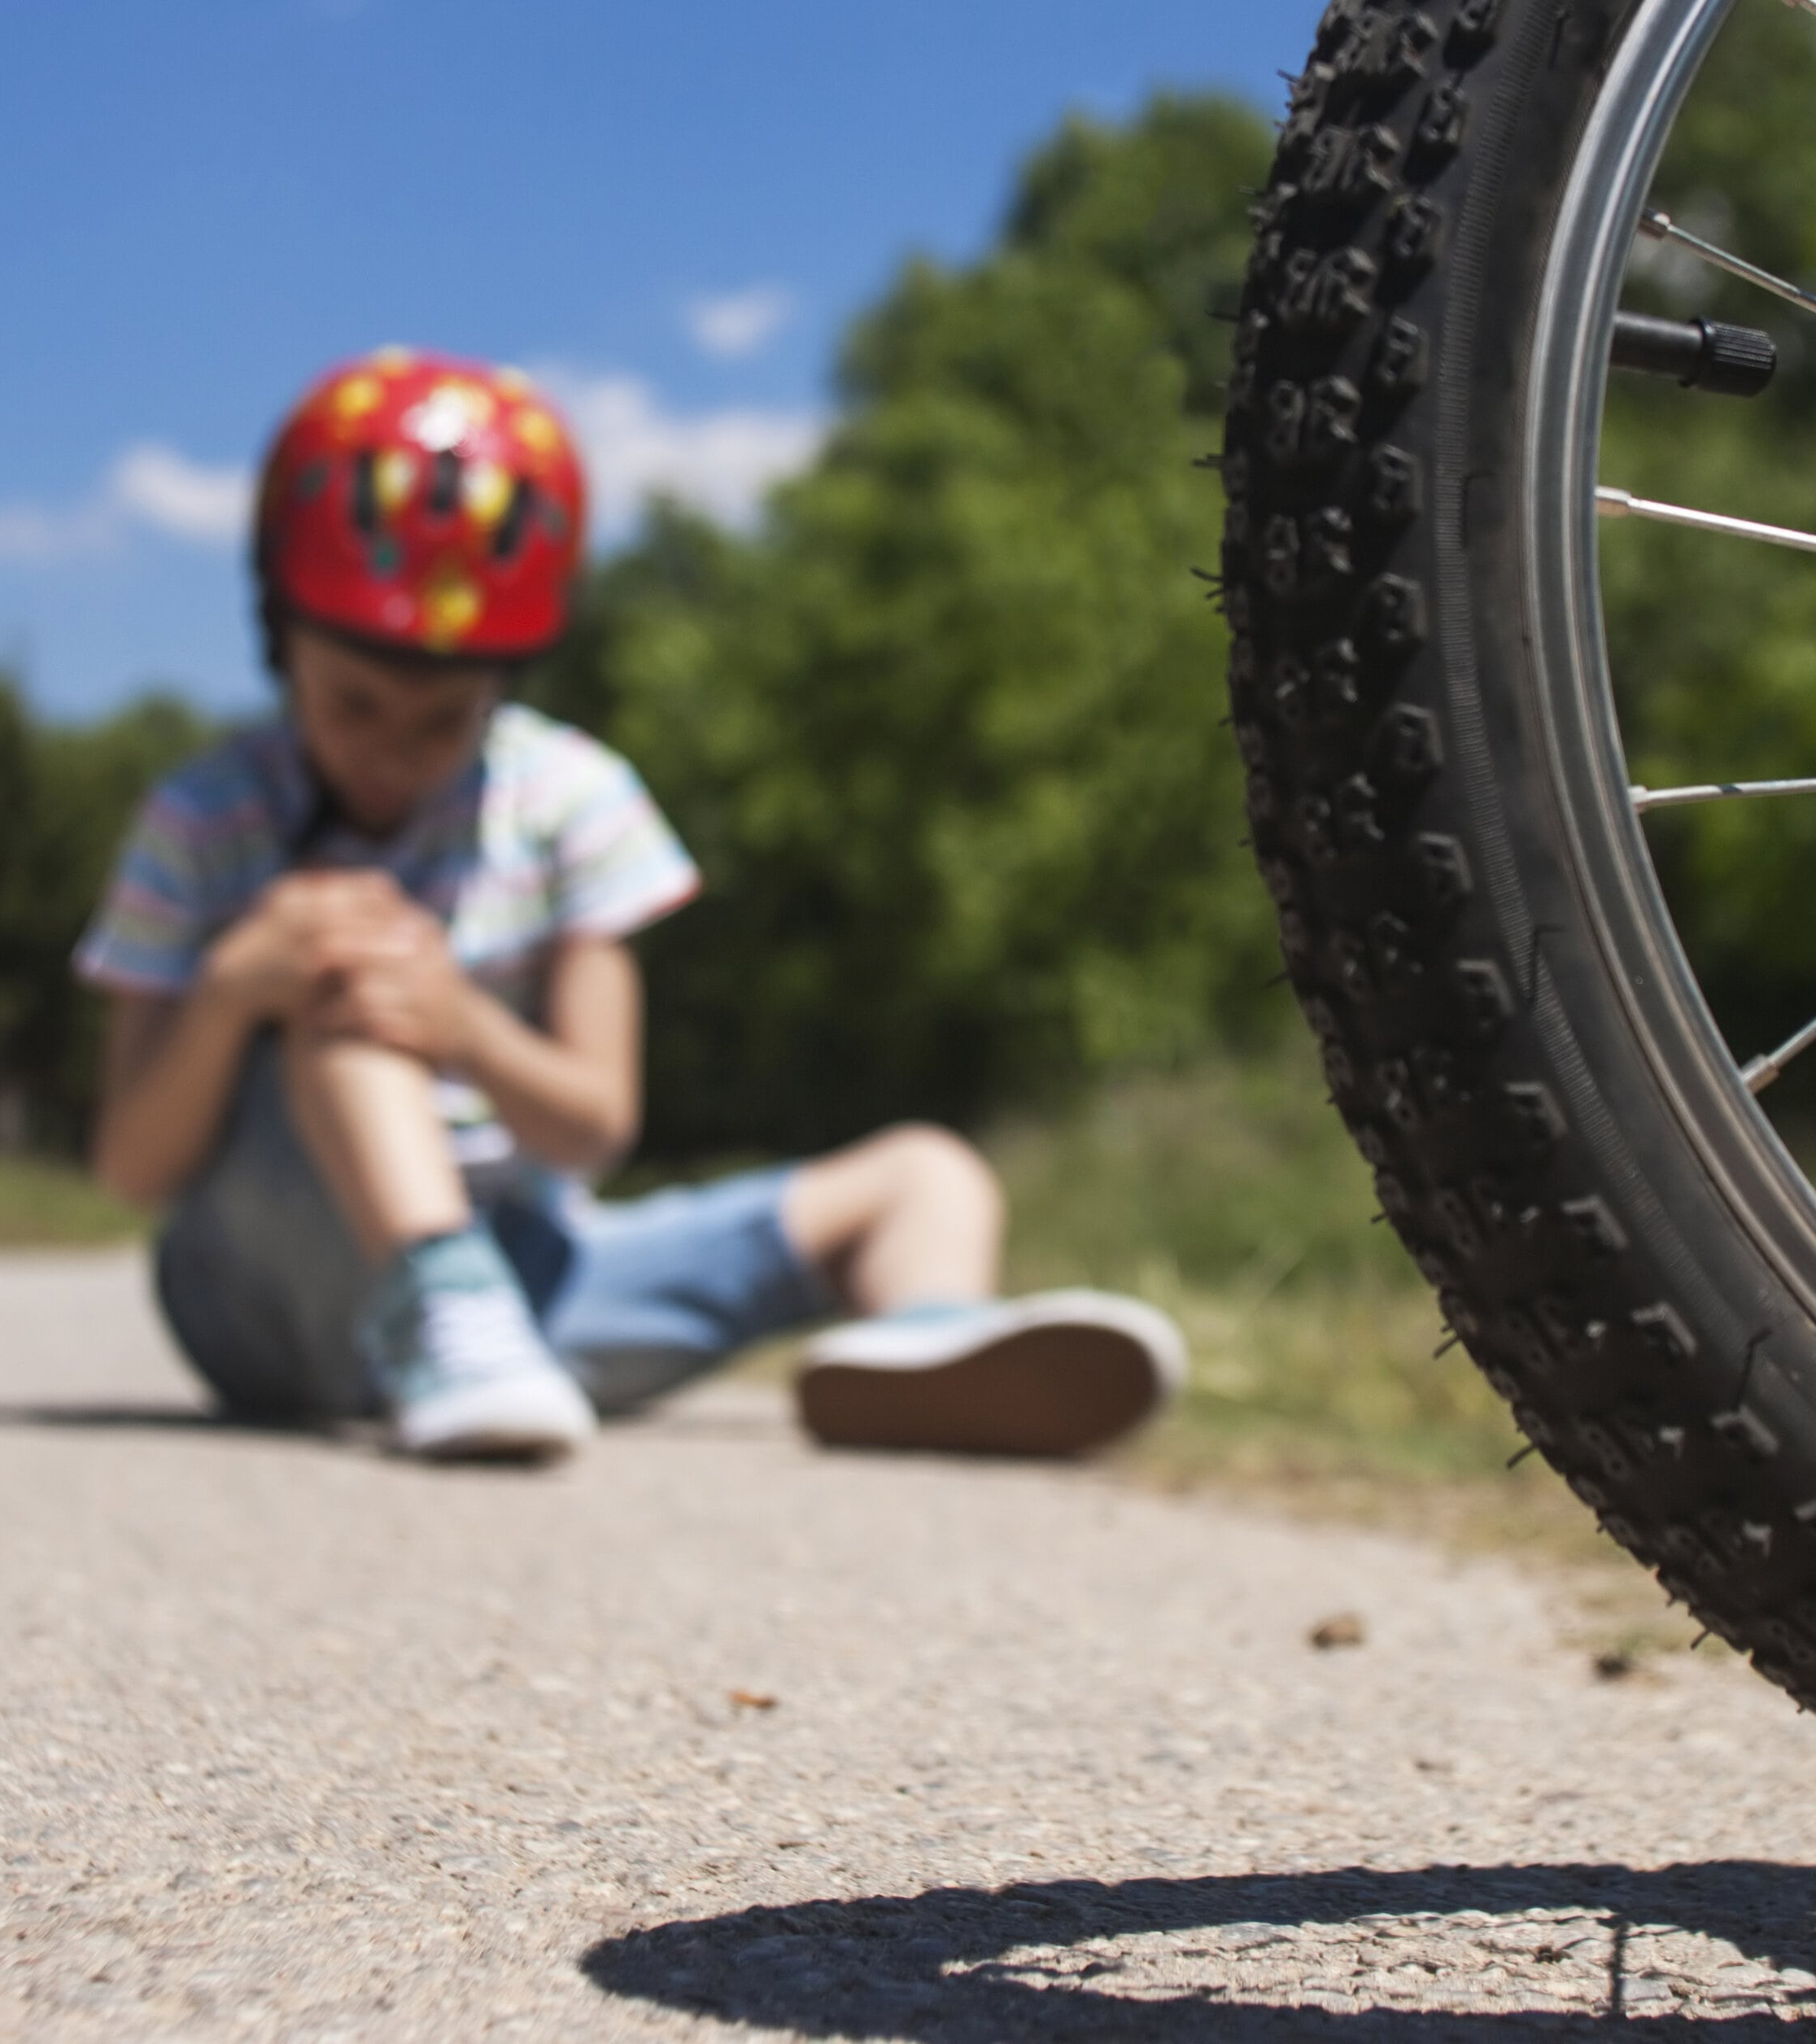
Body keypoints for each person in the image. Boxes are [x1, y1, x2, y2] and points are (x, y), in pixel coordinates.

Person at [76, 347, 1185, 1463]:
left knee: (930, 1172)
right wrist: (232, 990)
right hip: (264, 1293)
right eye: (352, 703)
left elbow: (595, 1126)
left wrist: (463, 1027)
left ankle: (924, 1348)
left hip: (529, 1286)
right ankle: (437, 1308)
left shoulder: (572, 797)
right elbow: (134, 1169)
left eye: (442, 721)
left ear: (505, 684)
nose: (392, 753)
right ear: (282, 637)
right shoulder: (199, 816)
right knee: (349, 991)